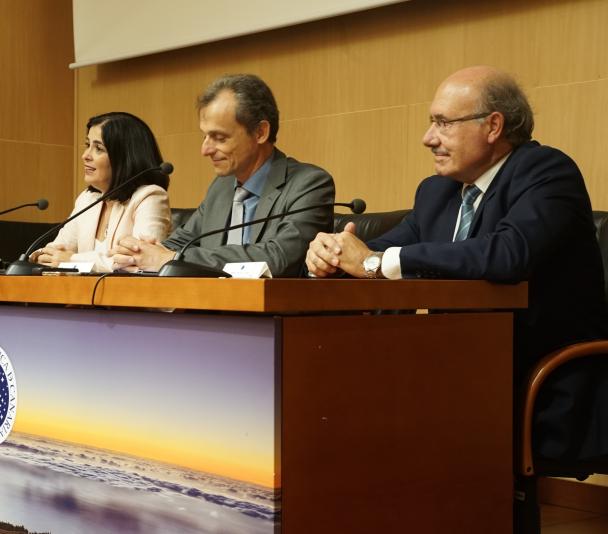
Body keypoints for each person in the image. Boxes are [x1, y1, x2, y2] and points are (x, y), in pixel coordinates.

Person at [306, 65, 608, 462]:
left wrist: (375, 261)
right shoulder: (437, 192)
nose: (428, 138)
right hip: (457, 366)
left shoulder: (547, 172)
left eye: (443, 123)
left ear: (493, 126)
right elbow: (378, 251)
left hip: (540, 377)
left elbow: (506, 255)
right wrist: (332, 256)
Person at [110, 74, 335, 277]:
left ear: (260, 132)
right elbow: (183, 241)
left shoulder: (309, 184)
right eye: (205, 137)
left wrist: (172, 259)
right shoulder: (222, 186)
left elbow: (278, 259)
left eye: (219, 138)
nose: (205, 150)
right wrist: (140, 252)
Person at [30, 112, 171, 272]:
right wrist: (43, 256)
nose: (85, 156)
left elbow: (139, 261)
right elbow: (58, 249)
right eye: (87, 145)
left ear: (124, 156)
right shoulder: (88, 199)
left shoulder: (150, 197)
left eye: (98, 148)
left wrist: (71, 260)